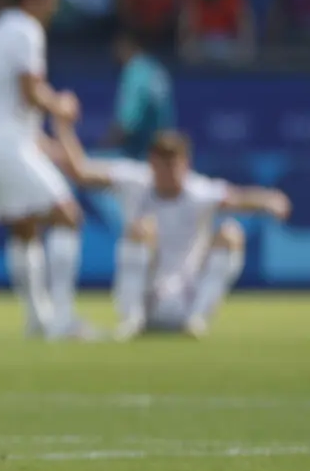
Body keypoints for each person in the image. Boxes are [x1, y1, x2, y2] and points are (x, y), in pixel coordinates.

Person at [53, 120, 291, 339]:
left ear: (185, 164)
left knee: (230, 233)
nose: (168, 174)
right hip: (147, 293)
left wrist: (270, 199)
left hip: (186, 295)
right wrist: (63, 125)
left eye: (174, 165)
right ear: (151, 163)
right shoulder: (134, 180)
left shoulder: (199, 191)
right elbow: (80, 172)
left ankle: (196, 319)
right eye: (162, 165)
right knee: (141, 228)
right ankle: (132, 319)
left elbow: (238, 198)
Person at [0, 0, 91, 340]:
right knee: (67, 215)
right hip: (3, 143)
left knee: (25, 227)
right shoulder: (26, 29)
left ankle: (37, 319)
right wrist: (61, 106)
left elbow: (8, 101)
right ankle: (63, 319)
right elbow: (30, 90)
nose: (54, 5)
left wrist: (45, 146)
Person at [102, 31, 175, 159]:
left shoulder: (134, 70)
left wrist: (104, 146)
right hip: (162, 152)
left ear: (126, 45)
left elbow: (126, 123)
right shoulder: (157, 68)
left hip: (140, 155)